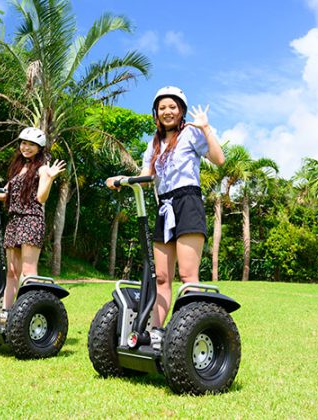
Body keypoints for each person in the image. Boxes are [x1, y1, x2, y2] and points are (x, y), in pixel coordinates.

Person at [106, 86, 225, 348]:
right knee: (161, 277)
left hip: (188, 202)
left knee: (188, 274)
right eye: (162, 108)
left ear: (181, 110)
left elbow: (219, 159)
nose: (167, 111)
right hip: (165, 206)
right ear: (156, 114)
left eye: (172, 107)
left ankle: (190, 330)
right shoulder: (154, 143)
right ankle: (157, 331)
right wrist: (120, 180)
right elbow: (147, 177)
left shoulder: (192, 133)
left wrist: (206, 128)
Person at [0, 127, 65, 314]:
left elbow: (41, 198)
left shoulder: (43, 168)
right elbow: (5, 194)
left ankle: (30, 311)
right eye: (23, 143)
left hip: (31, 219)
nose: (26, 147)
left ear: (39, 148)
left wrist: (50, 178)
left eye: (31, 145)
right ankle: (6, 311)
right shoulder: (18, 169)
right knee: (11, 271)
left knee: (28, 271)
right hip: (14, 221)